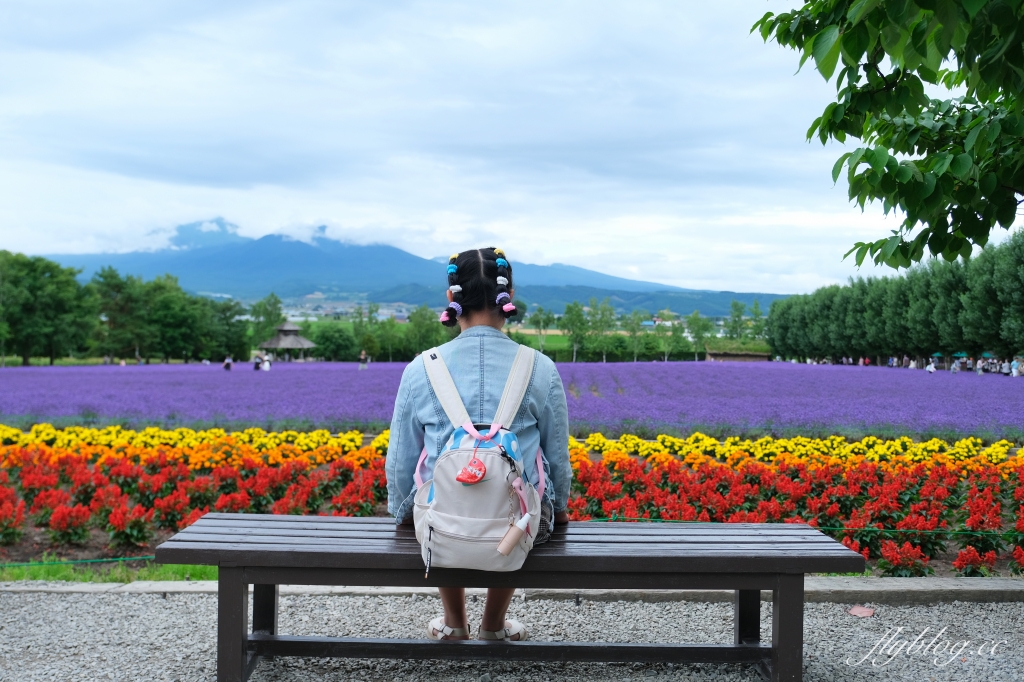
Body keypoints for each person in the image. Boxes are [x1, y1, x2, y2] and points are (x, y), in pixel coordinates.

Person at [385, 247, 571, 643]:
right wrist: (562, 510)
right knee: (523, 495)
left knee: (438, 494)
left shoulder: (421, 368)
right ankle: (493, 624)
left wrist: (401, 511)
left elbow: (400, 462)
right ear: (509, 295)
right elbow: (557, 459)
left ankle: (453, 622)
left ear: (453, 298)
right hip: (521, 530)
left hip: (441, 525)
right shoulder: (540, 367)